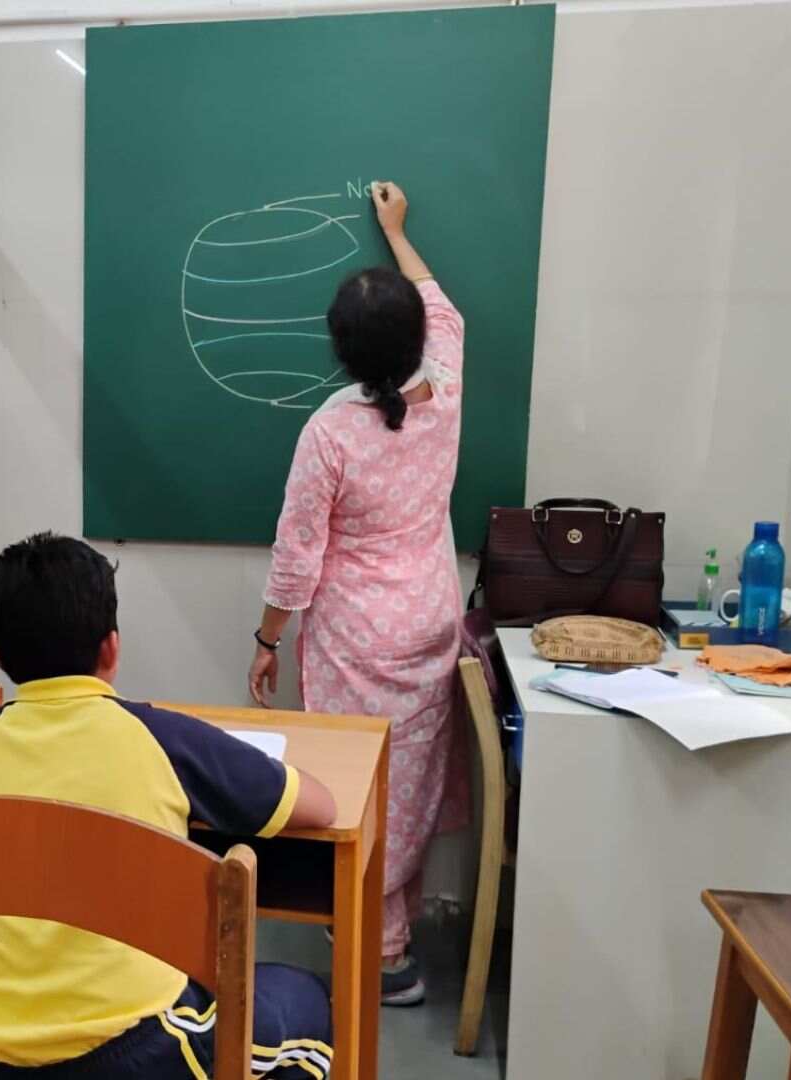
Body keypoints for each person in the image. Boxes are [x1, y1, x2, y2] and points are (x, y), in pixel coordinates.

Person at [0, 532, 339, 1078]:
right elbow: (319, 807)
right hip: (129, 1055)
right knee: (305, 997)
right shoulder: (162, 739)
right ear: (112, 648)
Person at [247, 181, 468, 1007]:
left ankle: (381, 955)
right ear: (414, 339)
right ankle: (391, 934)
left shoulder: (331, 432)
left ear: (339, 352)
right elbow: (447, 312)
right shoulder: (445, 392)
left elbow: (297, 560)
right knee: (405, 785)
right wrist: (398, 231)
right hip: (429, 620)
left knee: (354, 787)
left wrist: (268, 640)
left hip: (353, 636)